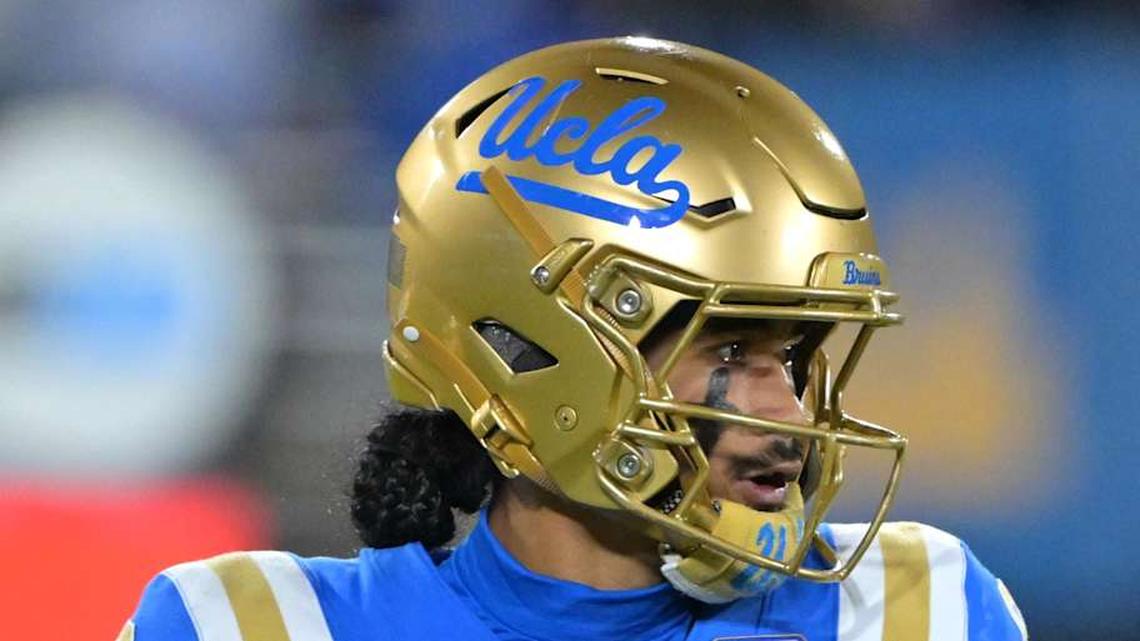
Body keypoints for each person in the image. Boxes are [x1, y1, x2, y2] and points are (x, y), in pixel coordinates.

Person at [121, 37, 1029, 640]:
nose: (788, 412)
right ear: (520, 356)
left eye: (792, 356)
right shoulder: (247, 624)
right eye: (726, 356)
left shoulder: (917, 609)